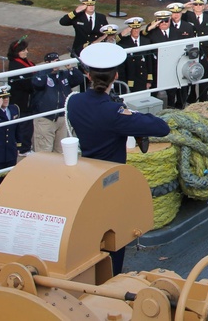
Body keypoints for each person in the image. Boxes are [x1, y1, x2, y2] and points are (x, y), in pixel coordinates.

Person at [66, 43, 170, 274]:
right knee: (115, 236)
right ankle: (111, 279)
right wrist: (129, 113)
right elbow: (161, 128)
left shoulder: (74, 103)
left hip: (88, 179)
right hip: (111, 182)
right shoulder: (115, 114)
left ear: (87, 74)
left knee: (92, 234)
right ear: (116, 76)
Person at [30, 51, 82, 153]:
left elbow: (79, 79)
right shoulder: (41, 74)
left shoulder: (63, 75)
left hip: (62, 118)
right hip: (46, 119)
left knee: (60, 151)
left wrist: (71, 68)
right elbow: (37, 83)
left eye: (57, 61)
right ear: (47, 63)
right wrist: (48, 69)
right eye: (53, 62)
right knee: (44, 151)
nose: (56, 64)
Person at [7, 38, 37, 155]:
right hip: (21, 101)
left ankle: (26, 146)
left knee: (28, 124)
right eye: (23, 50)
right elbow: (26, 84)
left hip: (29, 100)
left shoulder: (27, 63)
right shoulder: (15, 66)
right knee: (24, 125)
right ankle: (23, 148)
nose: (26, 52)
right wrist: (37, 83)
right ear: (16, 52)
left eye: (26, 49)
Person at [118, 17, 154, 92]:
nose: (136, 30)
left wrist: (149, 80)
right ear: (130, 30)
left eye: (138, 28)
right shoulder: (124, 42)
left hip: (143, 78)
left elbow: (149, 61)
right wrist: (122, 33)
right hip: (131, 79)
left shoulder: (146, 41)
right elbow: (114, 41)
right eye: (134, 28)